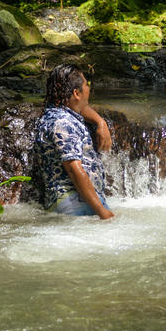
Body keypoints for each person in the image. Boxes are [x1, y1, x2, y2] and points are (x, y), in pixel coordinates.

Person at [35, 64, 115, 219]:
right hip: (75, 202)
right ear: (76, 93)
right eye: (87, 84)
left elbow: (81, 108)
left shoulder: (59, 113)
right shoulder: (62, 123)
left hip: (78, 201)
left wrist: (100, 122)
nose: (89, 88)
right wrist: (101, 211)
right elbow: (73, 168)